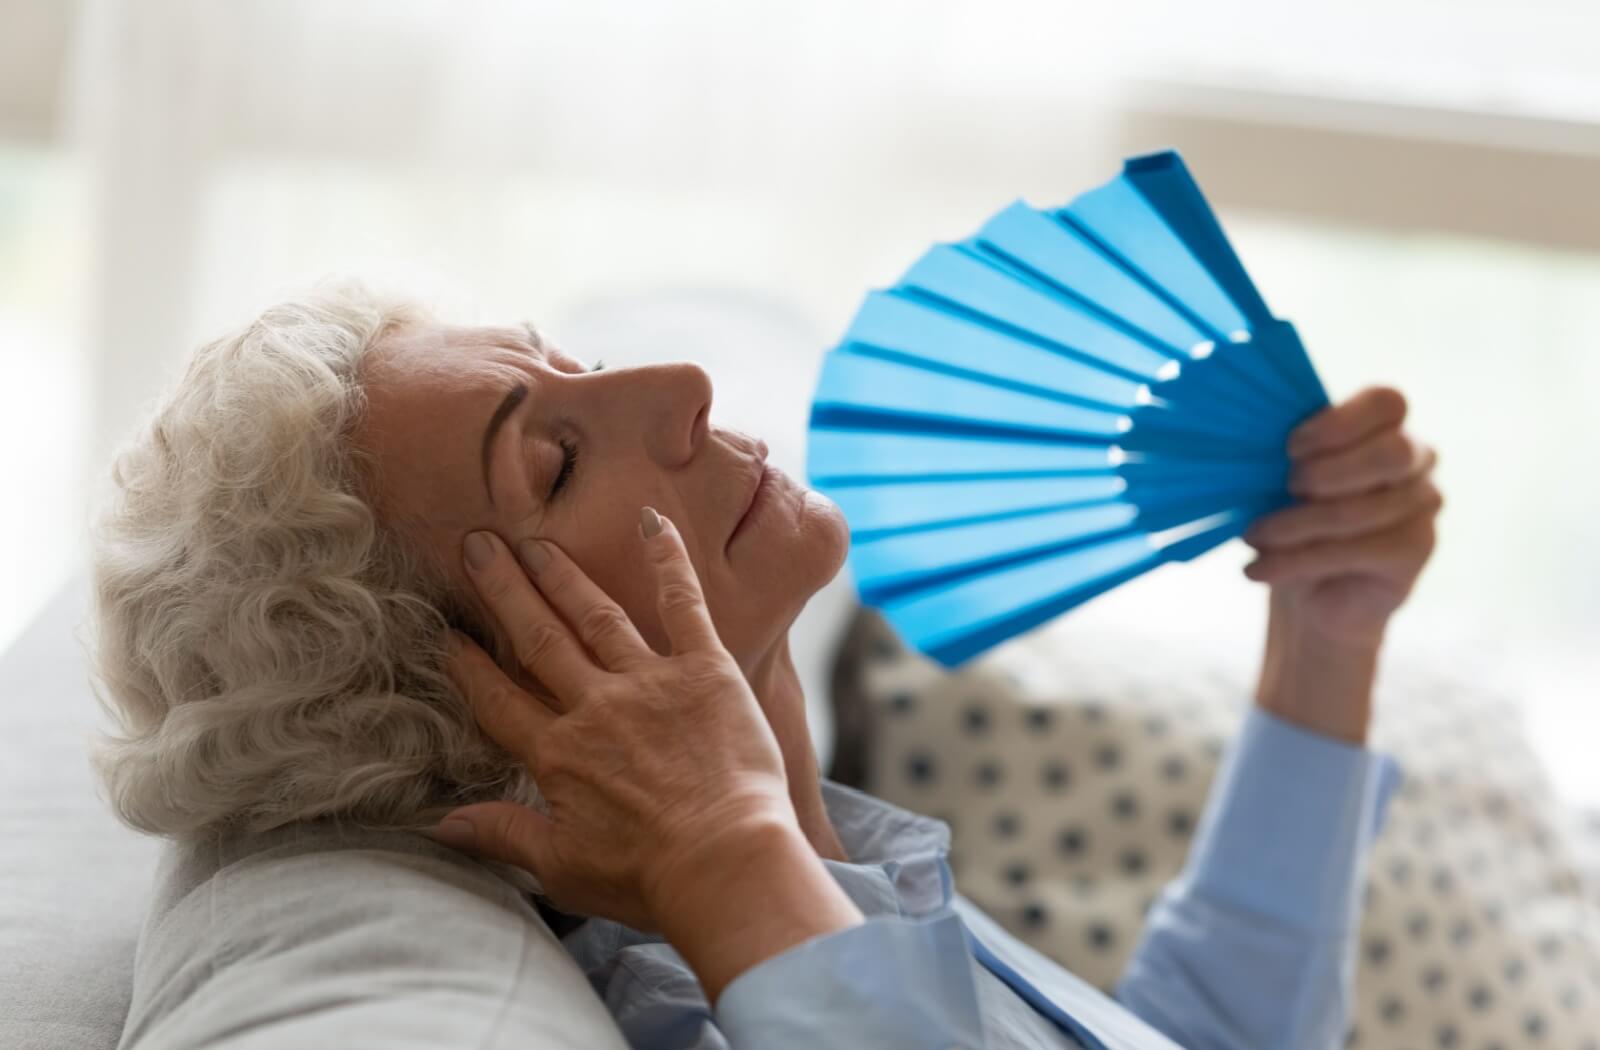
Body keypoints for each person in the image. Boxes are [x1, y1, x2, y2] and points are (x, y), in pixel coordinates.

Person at [92, 283, 1442, 1049]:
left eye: (587, 366)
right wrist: (729, 852)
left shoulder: (843, 883)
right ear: (496, 707)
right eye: (554, 460)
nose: (682, 381)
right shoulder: (712, 1003)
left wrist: (1327, 633)